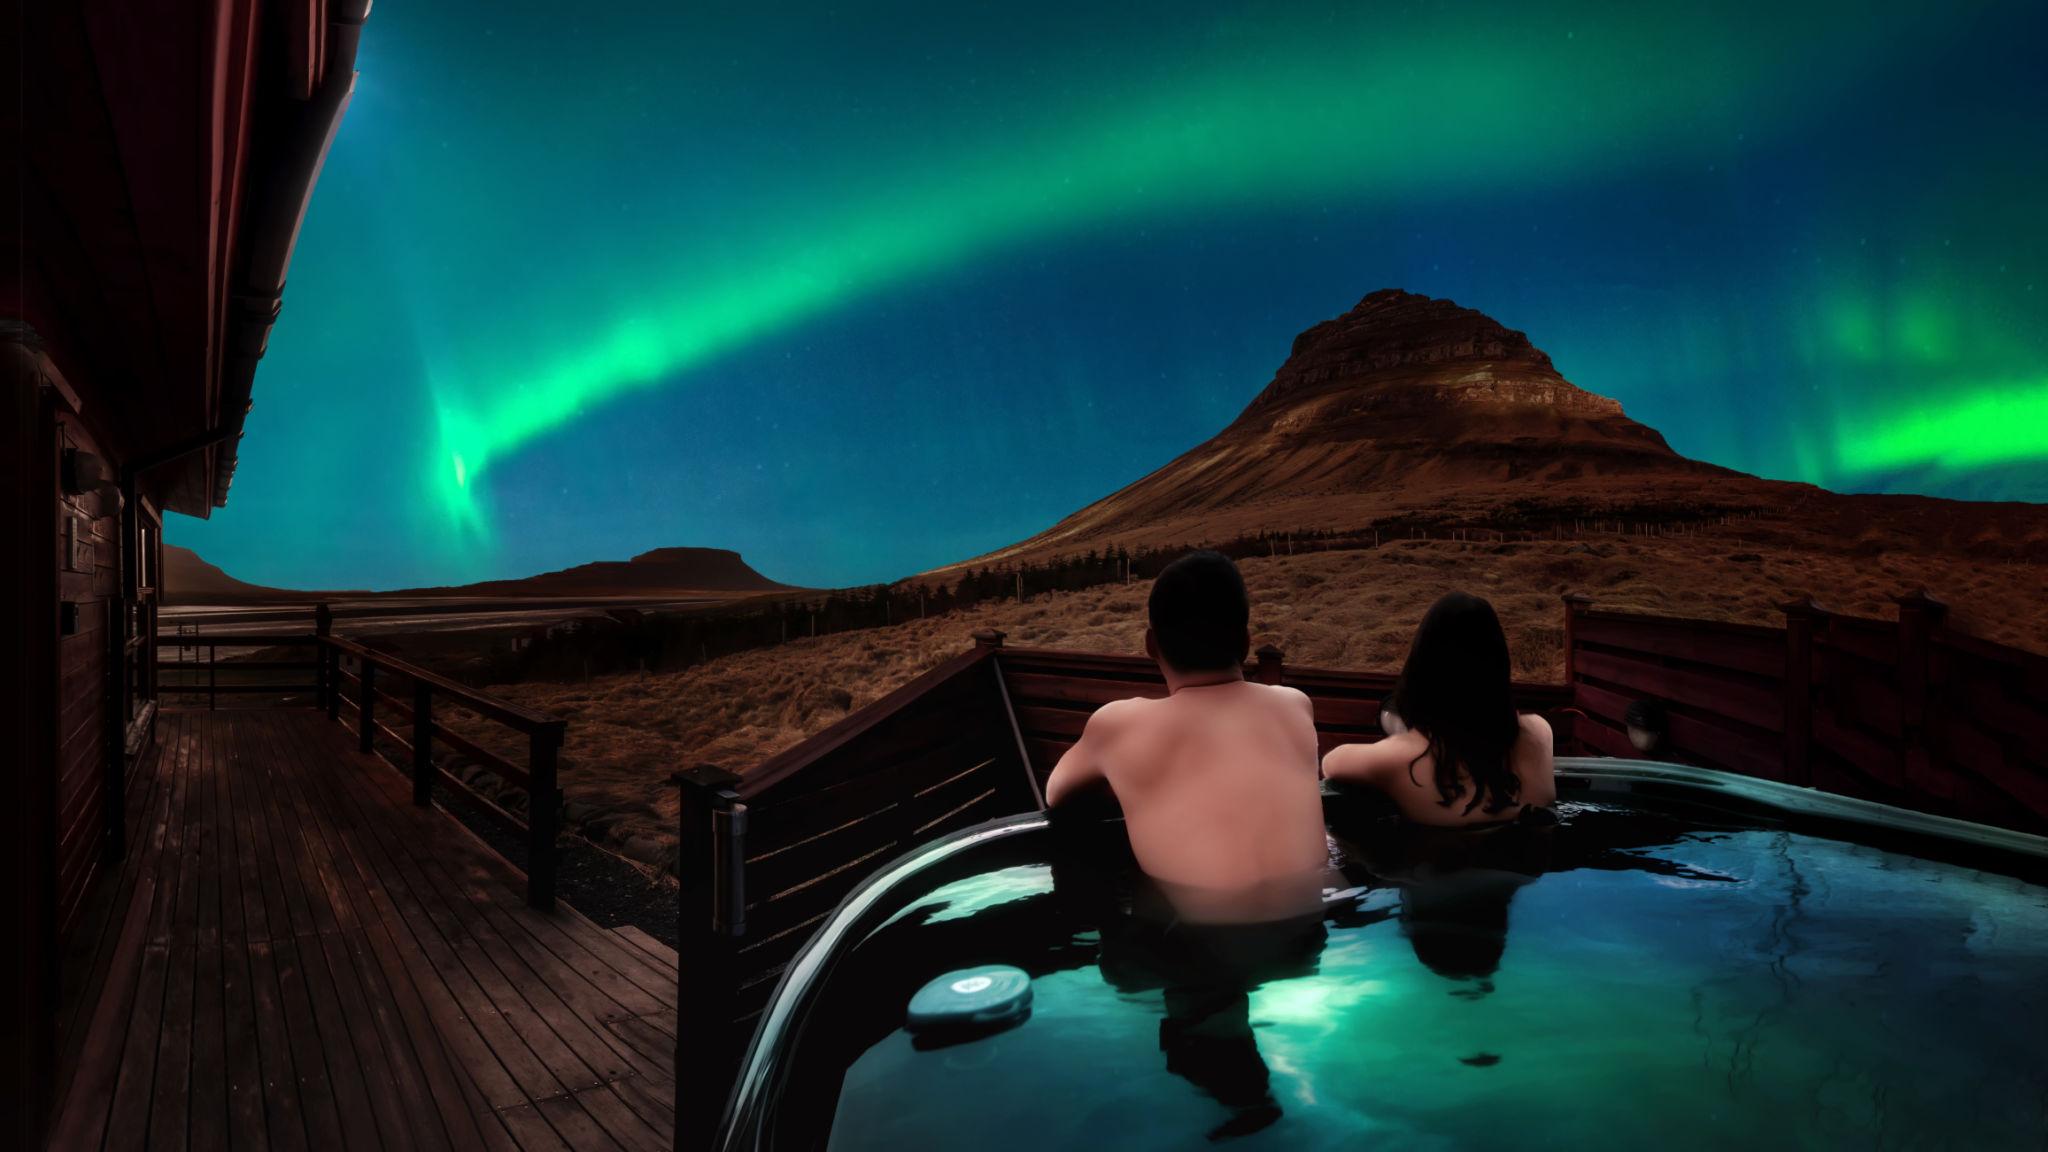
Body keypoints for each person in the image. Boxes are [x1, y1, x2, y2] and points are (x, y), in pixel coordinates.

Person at [1045, 550, 1329, 923]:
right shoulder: (1294, 705)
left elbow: (1057, 793)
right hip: (1311, 928)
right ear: (1245, 643)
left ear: (1151, 645)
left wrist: (1136, 784)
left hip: (1203, 941)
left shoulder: (1118, 725)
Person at [1322, 591, 1556, 826]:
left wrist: (1408, 736)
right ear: (1500, 667)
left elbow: (1331, 762)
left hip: (1436, 848)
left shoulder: (1399, 758)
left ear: (1420, 672)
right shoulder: (1538, 733)